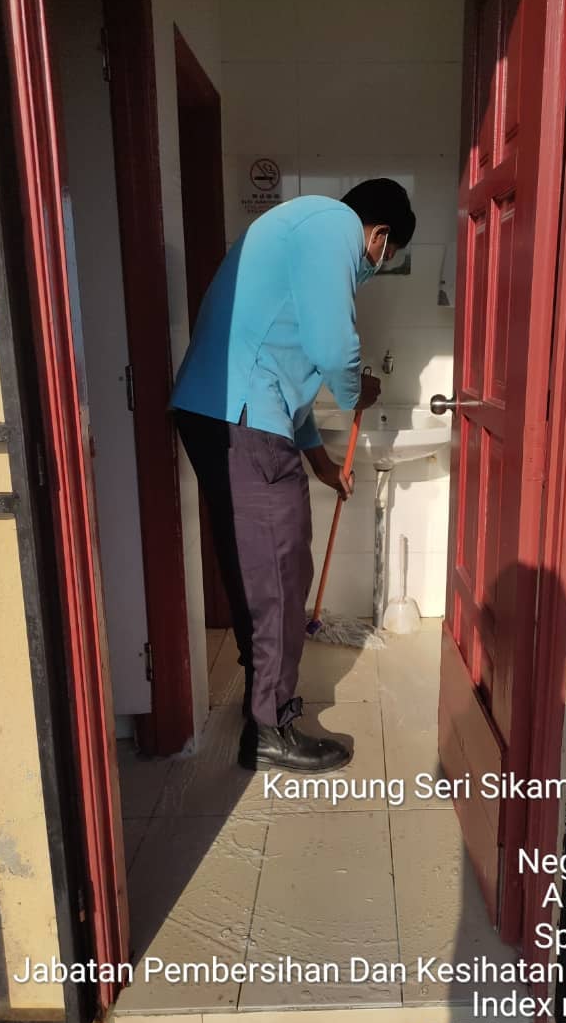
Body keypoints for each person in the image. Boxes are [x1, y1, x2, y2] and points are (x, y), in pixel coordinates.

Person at [169, 179, 416, 773]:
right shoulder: (333, 227)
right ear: (379, 236)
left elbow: (289, 388)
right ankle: (271, 726)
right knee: (281, 573)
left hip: (223, 414)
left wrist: (323, 466)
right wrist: (357, 391)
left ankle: (262, 704)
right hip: (242, 419)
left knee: (257, 569)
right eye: (385, 257)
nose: (375, 268)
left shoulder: (298, 232)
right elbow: (334, 349)